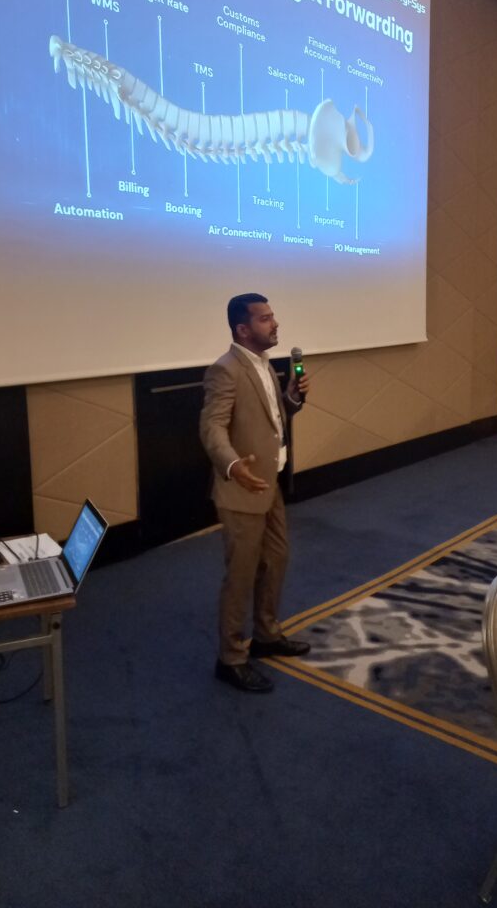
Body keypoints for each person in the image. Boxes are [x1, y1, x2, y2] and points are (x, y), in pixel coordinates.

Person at [200, 293, 311, 693]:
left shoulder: (265, 364)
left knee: (275, 560)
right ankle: (230, 659)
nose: (275, 323)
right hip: (242, 487)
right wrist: (232, 465)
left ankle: (265, 635)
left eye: (273, 316)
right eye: (265, 319)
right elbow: (212, 427)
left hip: (269, 482)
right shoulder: (225, 370)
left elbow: (273, 417)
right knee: (241, 575)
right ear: (243, 329)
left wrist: (292, 398)